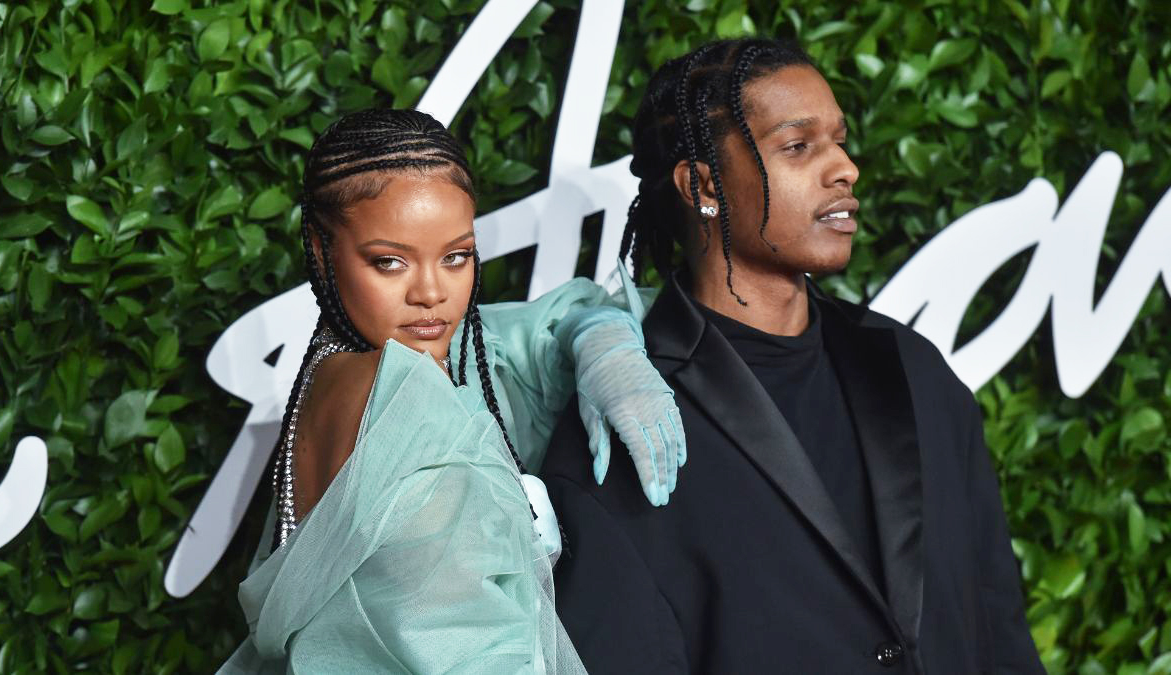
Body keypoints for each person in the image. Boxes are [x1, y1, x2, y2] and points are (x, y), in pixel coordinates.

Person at [541, 38, 1045, 674]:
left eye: (839, 140)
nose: (844, 168)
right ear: (703, 185)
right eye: (798, 146)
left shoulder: (914, 370)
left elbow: (999, 629)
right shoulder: (622, 430)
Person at [219, 109, 685, 673]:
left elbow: (544, 328)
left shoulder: (331, 372)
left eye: (456, 256)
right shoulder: (405, 399)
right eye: (389, 262)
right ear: (321, 252)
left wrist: (601, 337)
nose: (431, 293)